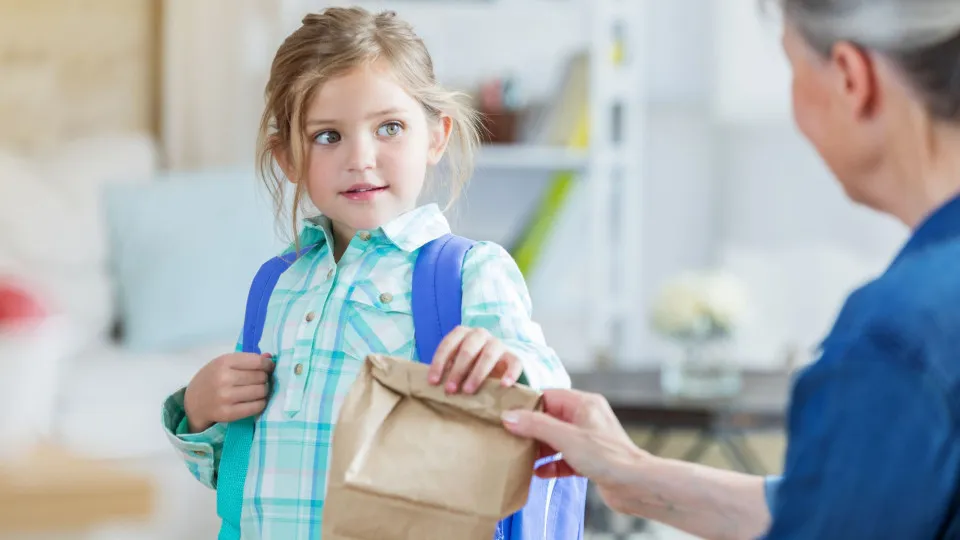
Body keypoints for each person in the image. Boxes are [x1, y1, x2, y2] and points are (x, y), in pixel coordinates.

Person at [502, 0, 960, 538]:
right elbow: (867, 506)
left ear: (851, 79)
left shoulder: (895, 337)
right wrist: (633, 474)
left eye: (792, 68)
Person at [160, 7, 572, 539]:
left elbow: (549, 401)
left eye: (390, 128)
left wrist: (510, 367)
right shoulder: (277, 284)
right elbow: (237, 472)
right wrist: (199, 411)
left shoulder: (469, 273)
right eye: (328, 136)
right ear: (288, 157)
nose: (361, 157)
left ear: (435, 136)